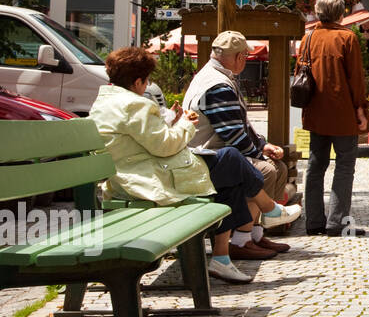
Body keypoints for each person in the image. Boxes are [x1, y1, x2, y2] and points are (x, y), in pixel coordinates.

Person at [88, 47, 301, 284]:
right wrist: (186, 125)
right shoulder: (134, 105)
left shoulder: (106, 102)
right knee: (231, 159)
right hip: (149, 180)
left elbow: (142, 137)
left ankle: (223, 257)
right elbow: (165, 146)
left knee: (231, 175)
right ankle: (269, 209)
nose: (146, 86)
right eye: (146, 82)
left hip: (139, 173)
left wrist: (169, 119)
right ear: (137, 81)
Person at [183, 31, 293, 238]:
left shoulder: (213, 76)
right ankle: (243, 240)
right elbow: (232, 135)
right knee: (267, 170)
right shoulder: (218, 84)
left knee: (279, 167)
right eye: (245, 56)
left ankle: (258, 234)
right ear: (238, 56)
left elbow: (237, 126)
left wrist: (262, 145)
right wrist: (259, 155)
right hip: (208, 157)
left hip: (212, 153)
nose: (245, 60)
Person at [300, 0, 369, 237]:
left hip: (315, 111)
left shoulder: (307, 39)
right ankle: (336, 222)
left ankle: (314, 221)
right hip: (342, 113)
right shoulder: (347, 38)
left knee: (315, 165)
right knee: (344, 165)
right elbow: (356, 80)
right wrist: (361, 109)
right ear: (340, 13)